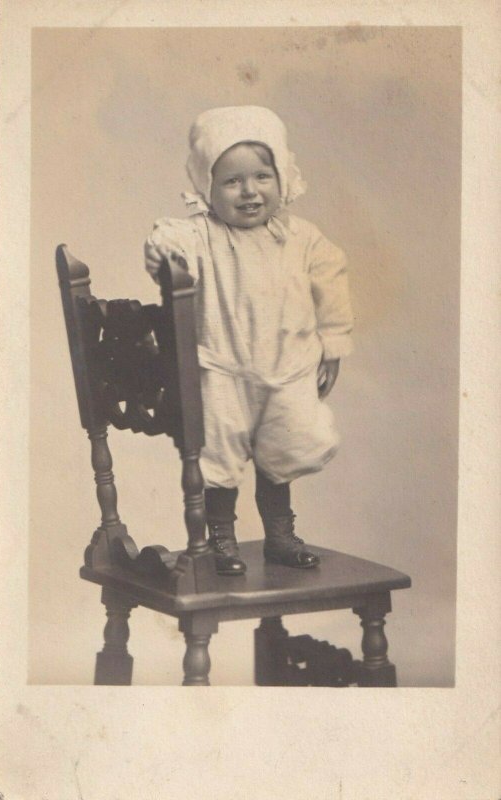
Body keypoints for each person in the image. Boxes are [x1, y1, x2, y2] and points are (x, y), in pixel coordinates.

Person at [144, 106, 353, 576]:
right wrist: (166, 250)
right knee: (218, 456)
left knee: (280, 452)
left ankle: (279, 534)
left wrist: (333, 343)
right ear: (207, 187)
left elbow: (332, 282)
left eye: (262, 176)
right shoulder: (202, 235)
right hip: (221, 367)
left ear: (283, 177)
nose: (250, 191)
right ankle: (222, 538)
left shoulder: (301, 237)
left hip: (288, 367)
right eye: (232, 181)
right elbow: (165, 245)